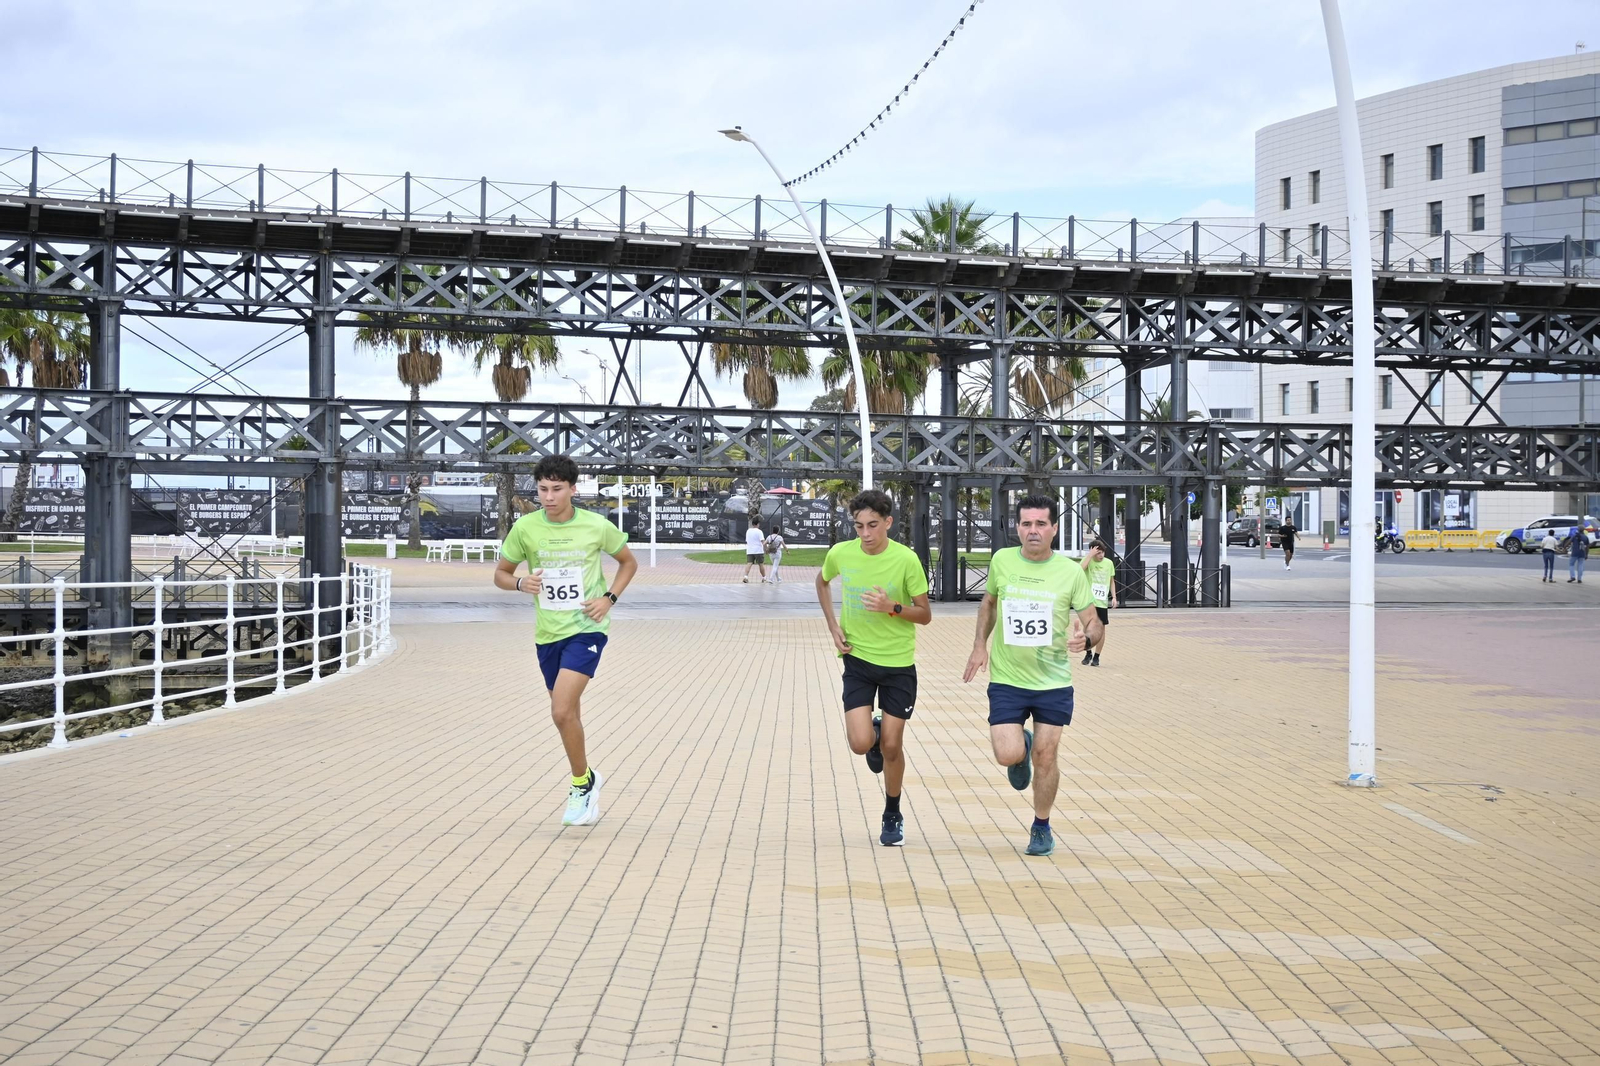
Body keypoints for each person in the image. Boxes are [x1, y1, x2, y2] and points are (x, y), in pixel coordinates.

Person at [495, 455, 638, 827]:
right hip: (547, 635)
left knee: (560, 710)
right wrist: (519, 583)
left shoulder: (595, 525)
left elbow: (628, 563)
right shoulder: (525, 529)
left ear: (573, 489)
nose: (549, 496)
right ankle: (588, 777)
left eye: (557, 489)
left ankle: (579, 785)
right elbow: (500, 574)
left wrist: (609, 599)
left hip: (586, 630)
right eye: (543, 489)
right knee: (568, 715)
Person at [963, 495, 1101, 857]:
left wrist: (1085, 638)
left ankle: (1041, 826)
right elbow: (989, 602)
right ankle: (1019, 746)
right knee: (1008, 755)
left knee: (1046, 755)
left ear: (1054, 528)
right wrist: (980, 644)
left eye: (1041, 524)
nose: (1033, 531)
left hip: (1053, 682)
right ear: (1017, 528)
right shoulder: (1002, 561)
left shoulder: (1071, 572)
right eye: (1026, 524)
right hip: (1008, 678)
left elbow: (1094, 622)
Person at [815, 489, 932, 847]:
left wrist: (891, 607)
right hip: (858, 660)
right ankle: (874, 733)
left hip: (898, 664)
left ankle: (892, 812)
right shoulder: (841, 553)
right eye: (858, 526)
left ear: (888, 523)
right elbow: (821, 582)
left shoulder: (906, 560)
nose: (865, 534)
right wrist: (833, 625)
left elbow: (924, 615)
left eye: (872, 525)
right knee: (860, 743)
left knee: (894, 748)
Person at [1079, 538, 1117, 667]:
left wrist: (1114, 597)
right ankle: (1088, 652)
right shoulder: (1088, 562)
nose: (1101, 556)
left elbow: (1111, 581)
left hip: (1102, 602)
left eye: (1102, 553)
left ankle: (1097, 656)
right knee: (1087, 628)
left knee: (1101, 629)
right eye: (1098, 553)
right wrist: (1090, 556)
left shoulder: (1109, 563)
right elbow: (1079, 570)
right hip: (1089, 602)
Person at [742, 518, 768, 583]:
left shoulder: (748, 531)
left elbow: (747, 540)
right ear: (758, 524)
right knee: (761, 564)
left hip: (750, 550)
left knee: (749, 563)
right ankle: (764, 578)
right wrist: (766, 548)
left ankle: (745, 576)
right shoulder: (759, 532)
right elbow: (762, 541)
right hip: (758, 550)